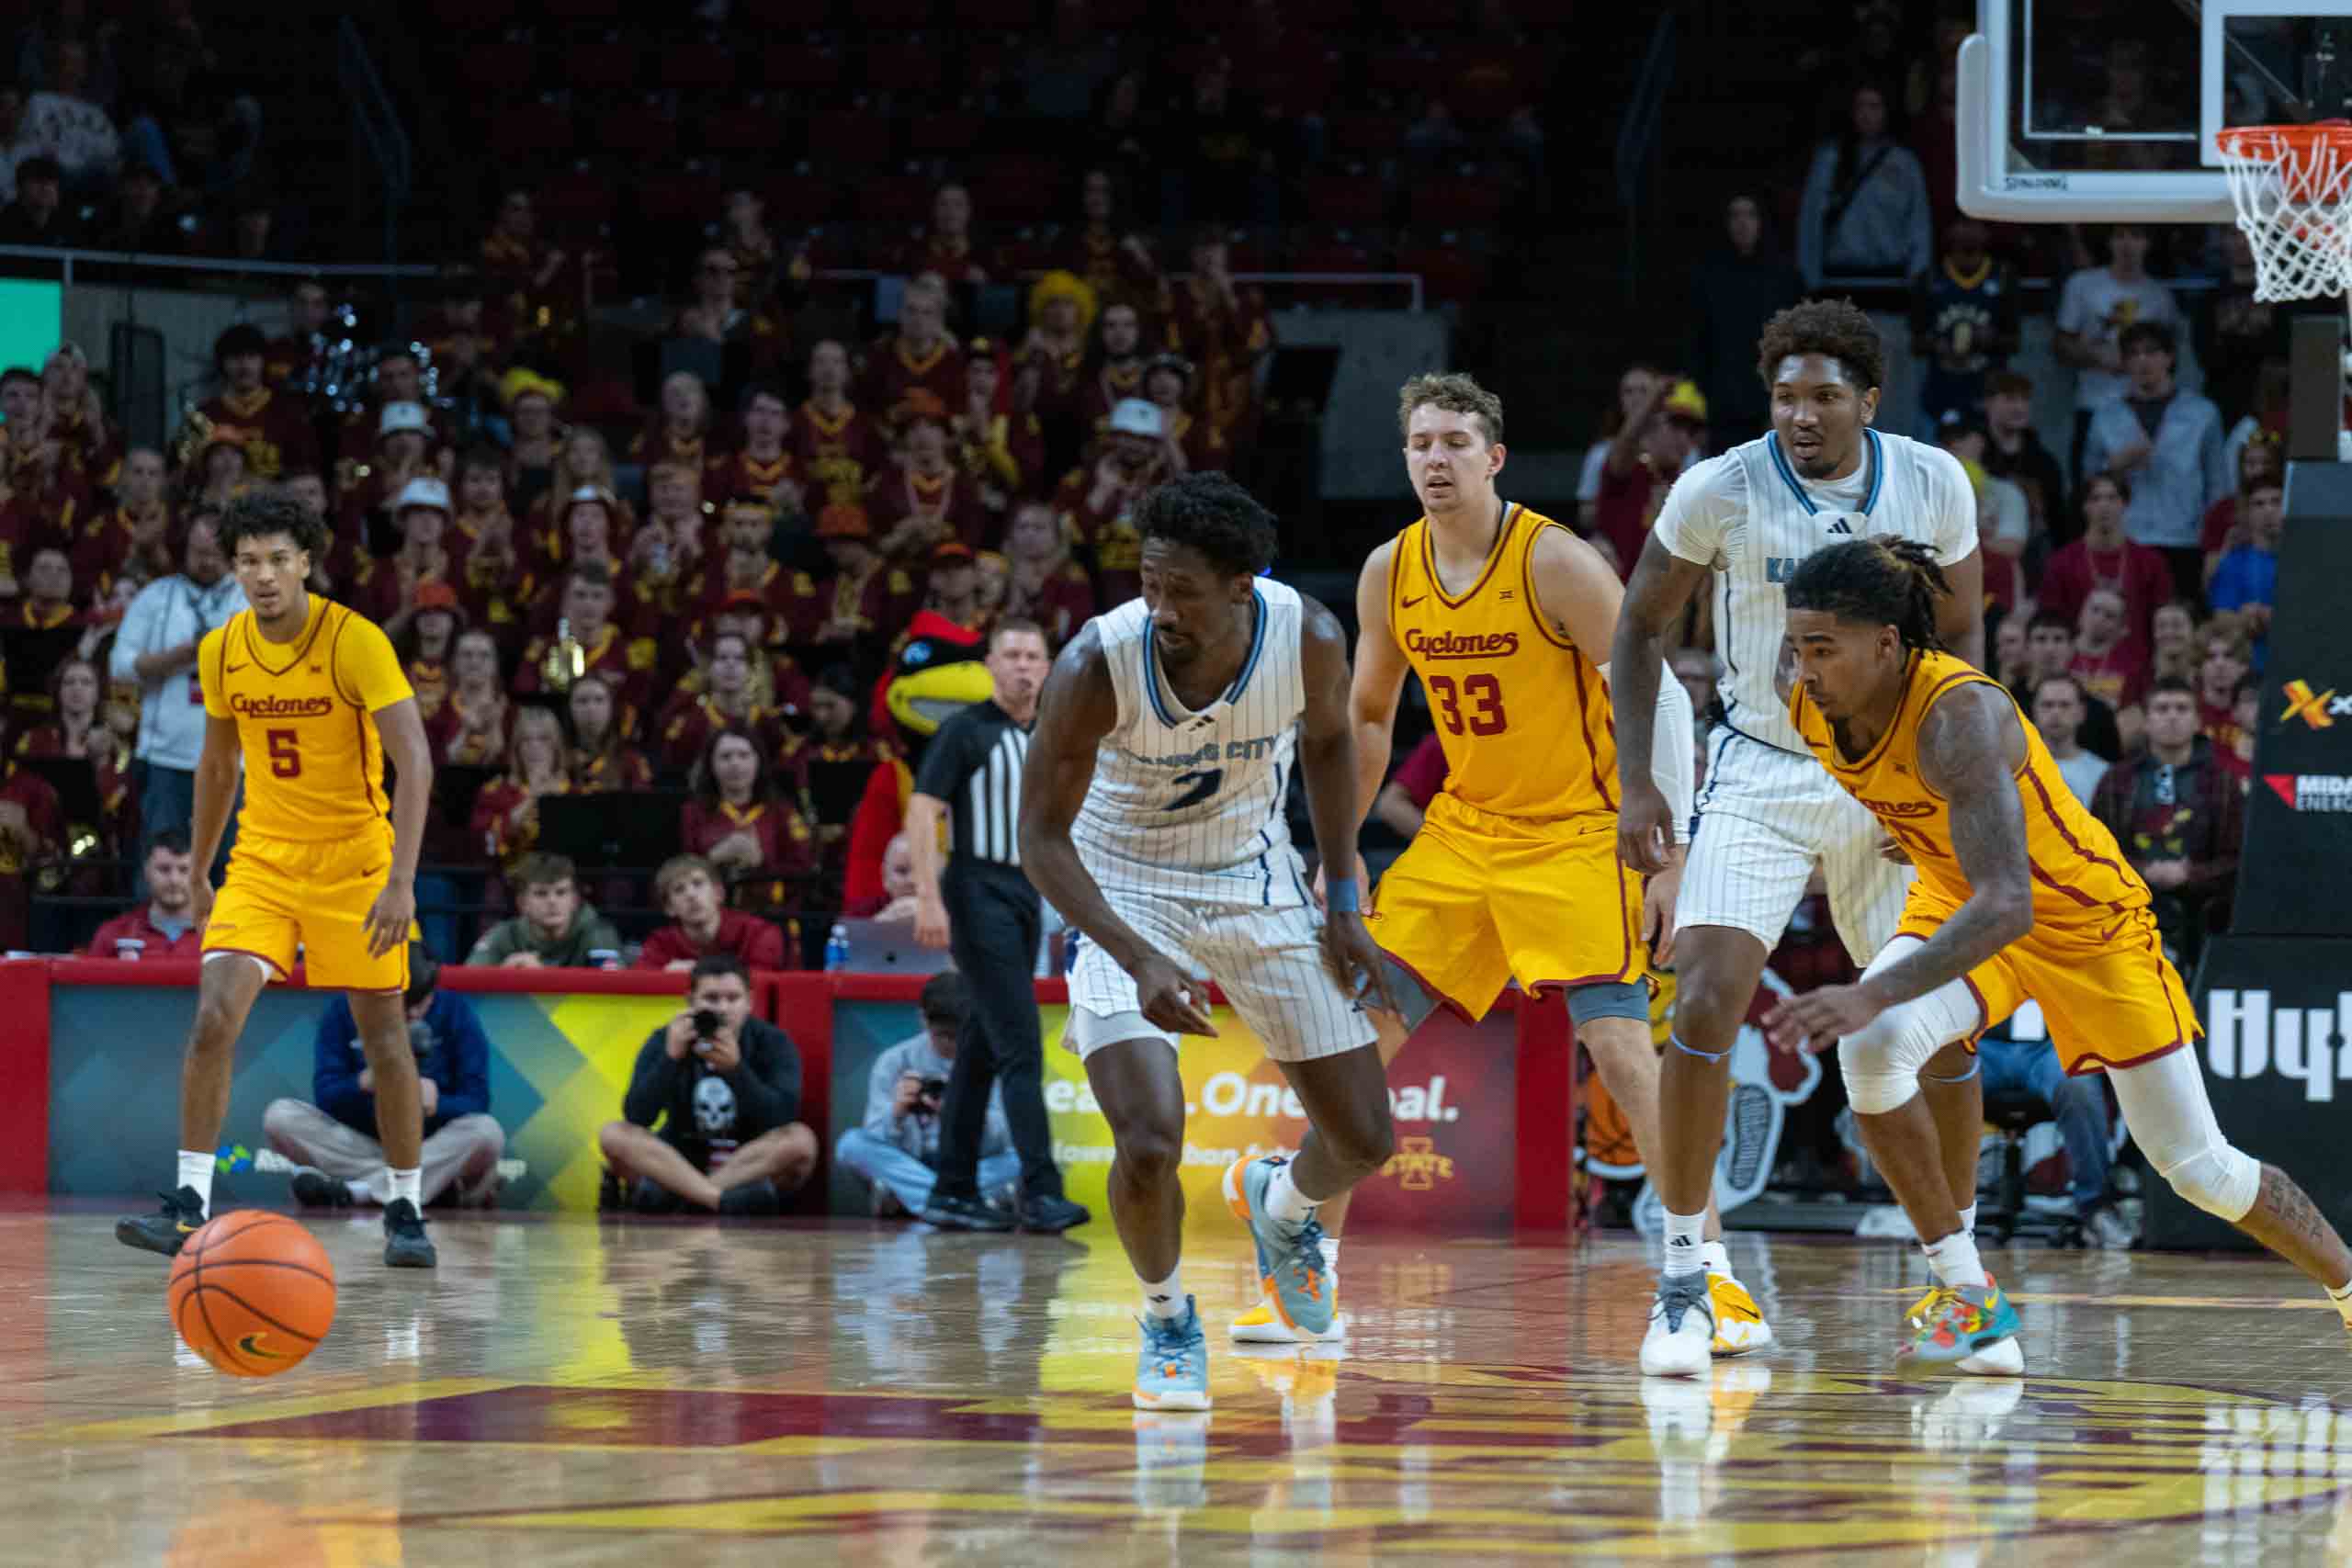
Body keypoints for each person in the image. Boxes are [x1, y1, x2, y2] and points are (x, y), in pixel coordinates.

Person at [1764, 537, 2352, 1368]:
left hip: (2083, 925)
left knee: (2198, 1169)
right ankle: (1969, 1296)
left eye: (1823, 648)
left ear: (1887, 644)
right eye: (1797, 645)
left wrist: (1875, 987)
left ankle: (2349, 1285)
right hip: (1961, 901)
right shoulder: (1804, 703)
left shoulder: (1961, 716)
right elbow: (1952, 846)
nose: (1805, 666)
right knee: (1875, 1048)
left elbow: (2011, 900)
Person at [1610, 299, 1985, 1378]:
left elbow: (1960, 632)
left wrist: (1945, 773)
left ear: (1868, 401)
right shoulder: (1719, 486)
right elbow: (1637, 628)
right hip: (1762, 768)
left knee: (1940, 1033)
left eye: (1825, 396)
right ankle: (1689, 1272)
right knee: (1704, 999)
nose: (1803, 415)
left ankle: (1954, 1277)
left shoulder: (1932, 481)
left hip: (1891, 775)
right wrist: (1642, 784)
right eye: (1784, 397)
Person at [1313, 372, 1718, 1352]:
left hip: (1580, 830)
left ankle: (1696, 1273)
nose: (1436, 459)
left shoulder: (1556, 563)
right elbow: (1367, 717)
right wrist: (1334, 858)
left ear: (1494, 458)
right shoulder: (1388, 570)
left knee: (1622, 1051)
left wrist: (1668, 854)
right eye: (1420, 443)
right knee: (1354, 1045)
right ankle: (1308, 1272)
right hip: (1462, 834)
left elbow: (1653, 691)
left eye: (1455, 442)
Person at [1019, 472, 1399, 1412]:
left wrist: (1343, 895)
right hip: (1119, 890)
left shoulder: (1306, 635)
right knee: (1148, 1140)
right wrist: (1135, 953)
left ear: (1241, 587)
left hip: (1252, 878)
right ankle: (1165, 1319)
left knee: (1366, 1137)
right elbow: (1038, 840)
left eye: (1181, 590)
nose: (1160, 609)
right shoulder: (1094, 664)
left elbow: (1325, 748)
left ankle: (1281, 1208)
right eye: (1150, 585)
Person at [113, 492, 440, 1269]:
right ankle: (191, 1201)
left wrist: (401, 882)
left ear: (306, 562)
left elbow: (416, 762)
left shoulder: (354, 640)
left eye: (278, 560)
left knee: (387, 1041)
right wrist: (199, 867)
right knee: (213, 1018)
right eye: (249, 561)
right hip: (262, 858)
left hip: (355, 861)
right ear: (234, 567)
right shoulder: (223, 649)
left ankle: (405, 1205)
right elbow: (220, 763)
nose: (263, 576)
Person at [900, 619, 1088, 1235]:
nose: (1023, 666)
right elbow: (924, 810)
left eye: (1034, 655)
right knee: (1020, 1043)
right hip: (976, 888)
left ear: (1049, 665)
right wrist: (929, 896)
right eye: (1011, 655)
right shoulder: (965, 730)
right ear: (990, 665)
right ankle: (1041, 1191)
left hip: (1027, 892)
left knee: (981, 1050)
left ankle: (951, 1187)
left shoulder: (1053, 733)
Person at [266, 942, 507, 1210]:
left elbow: (477, 1100)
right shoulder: (344, 1009)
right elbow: (326, 1095)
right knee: (280, 1117)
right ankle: (422, 1186)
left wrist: (438, 1103)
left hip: (429, 1144)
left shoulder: (456, 1011)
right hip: (362, 1142)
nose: (413, 1014)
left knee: (486, 1133)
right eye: (405, 1005)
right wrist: (364, 1083)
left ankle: (358, 1191)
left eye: (422, 1003)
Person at [596, 954, 818, 1215]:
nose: (723, 1009)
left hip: (748, 1165)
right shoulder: (667, 1039)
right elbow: (637, 1115)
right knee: (613, 1134)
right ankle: (717, 1201)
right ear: (691, 1001)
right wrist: (670, 1060)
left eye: (733, 998)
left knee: (802, 1141)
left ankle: (690, 1200)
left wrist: (737, 1071)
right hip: (678, 1162)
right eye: (711, 999)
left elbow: (782, 1117)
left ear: (749, 1002)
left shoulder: (773, 1042)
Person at [107, 516, 246, 866]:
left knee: (231, 870)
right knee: (162, 865)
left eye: (215, 554)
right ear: (184, 550)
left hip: (234, 762)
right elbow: (119, 664)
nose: (206, 561)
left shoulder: (252, 600)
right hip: (165, 758)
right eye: (198, 552)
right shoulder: (155, 597)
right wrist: (174, 659)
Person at [835, 972, 1022, 1218]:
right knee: (851, 1145)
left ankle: (927, 1201)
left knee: (1022, 1160)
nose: (951, 1044)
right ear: (923, 1020)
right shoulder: (894, 1061)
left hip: (973, 1165)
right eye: (943, 1035)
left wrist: (961, 1112)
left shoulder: (990, 1059)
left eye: (959, 1035)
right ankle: (950, 1201)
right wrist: (897, 1113)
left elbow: (1003, 1140)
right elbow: (874, 1135)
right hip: (912, 1162)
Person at [2090, 677, 2245, 967]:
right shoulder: (2117, 780)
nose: (2172, 716)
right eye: (2162, 709)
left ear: (2198, 720)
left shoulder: (2223, 782)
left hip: (2205, 916)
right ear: (2146, 721)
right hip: (2128, 911)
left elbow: (2237, 859)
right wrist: (2144, 871)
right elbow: (2096, 851)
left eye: (2181, 708)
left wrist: (2189, 874)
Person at [2080, 321, 2229, 602]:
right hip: (2127, 539)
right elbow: (2087, 483)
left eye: (2151, 352)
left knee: (2178, 622)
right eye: (2134, 354)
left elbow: (2217, 486)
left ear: (2170, 357)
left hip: (2185, 538)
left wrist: (2213, 545)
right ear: (2124, 362)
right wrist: (2114, 467)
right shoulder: (2105, 417)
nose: (2143, 360)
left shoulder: (2203, 413)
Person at [2055, 224, 2182, 484]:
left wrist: (2139, 364)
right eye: (2120, 236)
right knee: (2089, 485)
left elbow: (2173, 354)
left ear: (2147, 244)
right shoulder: (2082, 285)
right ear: (2109, 242)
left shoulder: (2160, 295)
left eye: (2136, 236)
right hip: (2093, 402)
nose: (2127, 245)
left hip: (2144, 405)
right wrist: (2097, 358)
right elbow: (2060, 345)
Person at [1795, 82, 1932, 288]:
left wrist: (1918, 273)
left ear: (1887, 111)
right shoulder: (1829, 160)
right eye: (1860, 106)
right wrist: (1810, 279)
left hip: (1891, 282)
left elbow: (1919, 222)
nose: (1866, 114)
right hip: (1838, 280)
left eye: (1874, 106)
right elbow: (1811, 222)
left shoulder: (1905, 163)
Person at [465, 852, 623, 968]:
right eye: (541, 894)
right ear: (522, 903)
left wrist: (543, 975)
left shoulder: (598, 933)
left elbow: (614, 988)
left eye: (561, 892)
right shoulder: (505, 934)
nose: (552, 901)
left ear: (575, 900)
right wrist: (503, 974)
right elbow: (467, 983)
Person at [636, 853, 788, 972]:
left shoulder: (758, 933)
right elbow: (638, 978)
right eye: (679, 889)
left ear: (719, 894)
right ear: (669, 908)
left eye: (698, 883)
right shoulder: (660, 943)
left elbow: (760, 980)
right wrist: (664, 974)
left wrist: (696, 972)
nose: (691, 895)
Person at [85, 829, 202, 959]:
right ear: (146, 872)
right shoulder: (113, 934)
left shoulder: (220, 935)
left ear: (199, 874)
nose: (174, 880)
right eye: (164, 869)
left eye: (184, 870)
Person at [2207, 474, 2282, 671]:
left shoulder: (2306, 562)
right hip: (2250, 673)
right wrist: (2245, 618)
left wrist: (2270, 616)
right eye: (2259, 504)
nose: (2269, 510)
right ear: (2247, 513)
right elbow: (2221, 619)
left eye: (2276, 502)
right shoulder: (2232, 564)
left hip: (2301, 673)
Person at [2030, 674, 2109, 807]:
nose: (2055, 712)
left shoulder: (2103, 774)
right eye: (2047, 705)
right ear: (2034, 711)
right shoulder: (2016, 770)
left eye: (2065, 705)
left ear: (2081, 712)